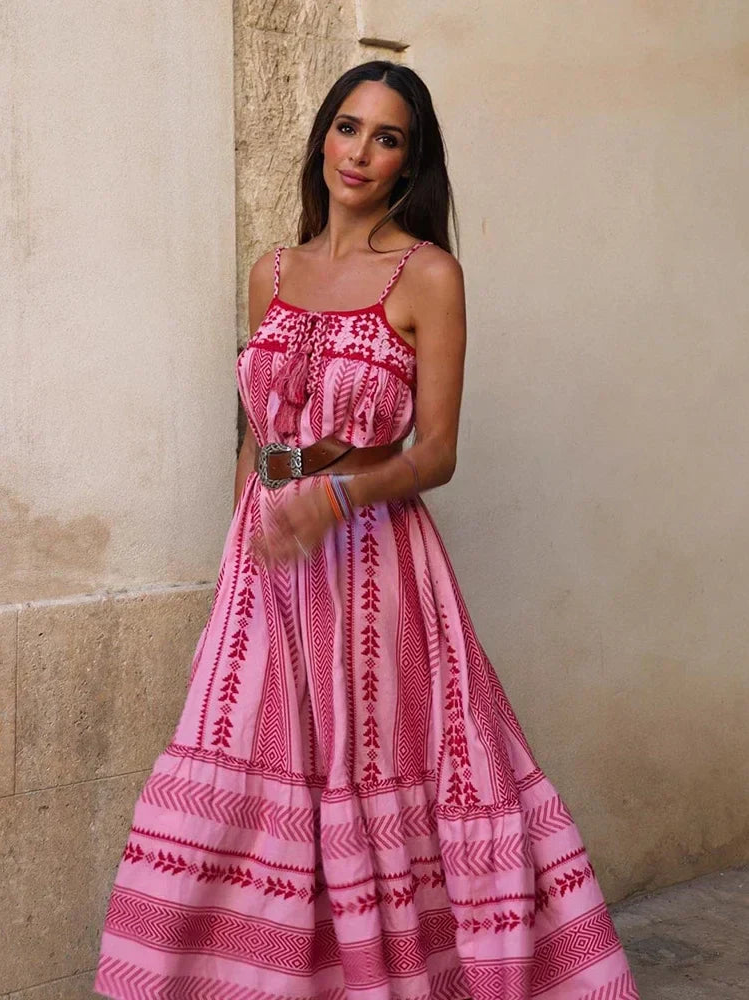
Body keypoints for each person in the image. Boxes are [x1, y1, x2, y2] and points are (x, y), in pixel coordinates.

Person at [94, 60, 639, 1000]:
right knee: (250, 771)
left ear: (408, 161)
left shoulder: (428, 275)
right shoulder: (272, 269)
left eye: (387, 138)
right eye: (348, 128)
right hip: (269, 558)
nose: (361, 152)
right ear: (322, 139)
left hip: (372, 568)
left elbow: (436, 453)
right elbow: (261, 432)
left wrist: (337, 499)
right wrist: (238, 565)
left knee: (372, 768)